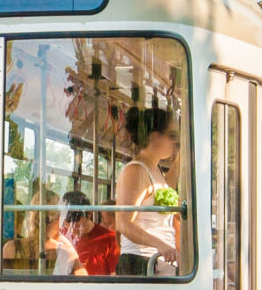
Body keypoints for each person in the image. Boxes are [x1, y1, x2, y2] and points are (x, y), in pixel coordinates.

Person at [116, 106, 181, 275]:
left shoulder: (154, 169)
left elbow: (164, 189)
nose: (175, 142)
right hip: (141, 261)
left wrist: (182, 159)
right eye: (172, 136)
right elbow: (123, 223)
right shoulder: (136, 170)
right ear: (155, 137)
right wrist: (160, 244)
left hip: (156, 259)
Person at [58, 193, 120, 276]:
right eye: (67, 225)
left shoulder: (110, 239)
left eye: (77, 226)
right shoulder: (61, 236)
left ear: (89, 214)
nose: (72, 231)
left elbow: (114, 277)